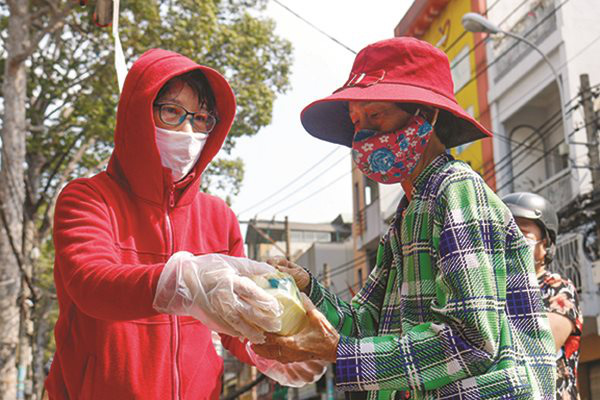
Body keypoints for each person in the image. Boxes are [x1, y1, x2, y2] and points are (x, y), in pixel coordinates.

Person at [253, 37, 557, 399]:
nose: (364, 133)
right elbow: (365, 323)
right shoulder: (405, 216)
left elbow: (473, 341)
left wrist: (339, 352)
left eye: (376, 115)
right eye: (356, 121)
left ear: (426, 115)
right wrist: (307, 288)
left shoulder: (457, 190)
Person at [45, 48, 322, 399]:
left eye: (203, 118)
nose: (189, 130)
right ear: (138, 113)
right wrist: (183, 280)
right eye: (172, 112)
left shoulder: (218, 216)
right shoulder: (88, 198)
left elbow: (235, 323)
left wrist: (270, 348)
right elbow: (91, 284)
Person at [503, 192, 583, 399]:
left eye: (521, 233)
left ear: (545, 245)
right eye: (503, 233)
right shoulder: (492, 291)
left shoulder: (558, 290)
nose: (510, 241)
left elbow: (537, 348)